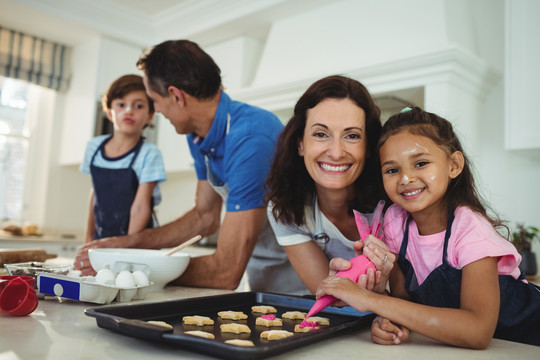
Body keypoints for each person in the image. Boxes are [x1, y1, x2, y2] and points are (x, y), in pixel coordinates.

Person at [75, 40, 307, 294]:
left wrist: (130, 267)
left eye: (154, 100)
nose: (158, 110)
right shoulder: (197, 134)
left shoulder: (251, 138)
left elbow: (225, 272)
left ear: (176, 96)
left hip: (306, 285)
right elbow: (205, 217)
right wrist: (126, 245)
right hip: (264, 278)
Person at [316, 107, 540, 348]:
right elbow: (406, 303)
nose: (405, 178)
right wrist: (391, 321)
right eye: (392, 170)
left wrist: (370, 301)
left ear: (454, 165)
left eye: (420, 163)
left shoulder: (470, 230)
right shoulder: (395, 223)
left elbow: (477, 331)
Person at [266, 75, 394, 295]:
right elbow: (330, 296)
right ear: (300, 144)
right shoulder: (287, 210)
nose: (336, 152)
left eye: (352, 135)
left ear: (368, 147)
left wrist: (380, 291)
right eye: (320, 134)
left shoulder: (396, 204)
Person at [80, 74, 166, 243]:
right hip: (102, 239)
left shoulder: (149, 154)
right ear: (110, 113)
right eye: (121, 104)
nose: (129, 111)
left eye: (139, 106)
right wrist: (89, 240)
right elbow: (95, 194)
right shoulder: (94, 148)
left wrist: (126, 247)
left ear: (150, 116)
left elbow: (140, 208)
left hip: (137, 242)